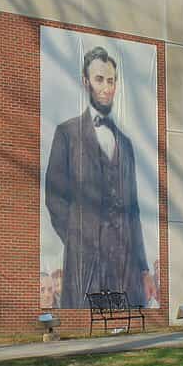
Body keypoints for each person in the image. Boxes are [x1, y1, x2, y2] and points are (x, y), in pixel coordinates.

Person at [44, 45, 156, 310]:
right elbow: (54, 198)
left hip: (124, 263)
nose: (106, 87)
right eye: (99, 80)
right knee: (85, 319)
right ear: (85, 82)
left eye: (111, 80)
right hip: (85, 264)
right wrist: (78, 240)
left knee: (125, 318)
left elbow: (134, 211)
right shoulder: (66, 134)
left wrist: (142, 266)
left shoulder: (126, 144)